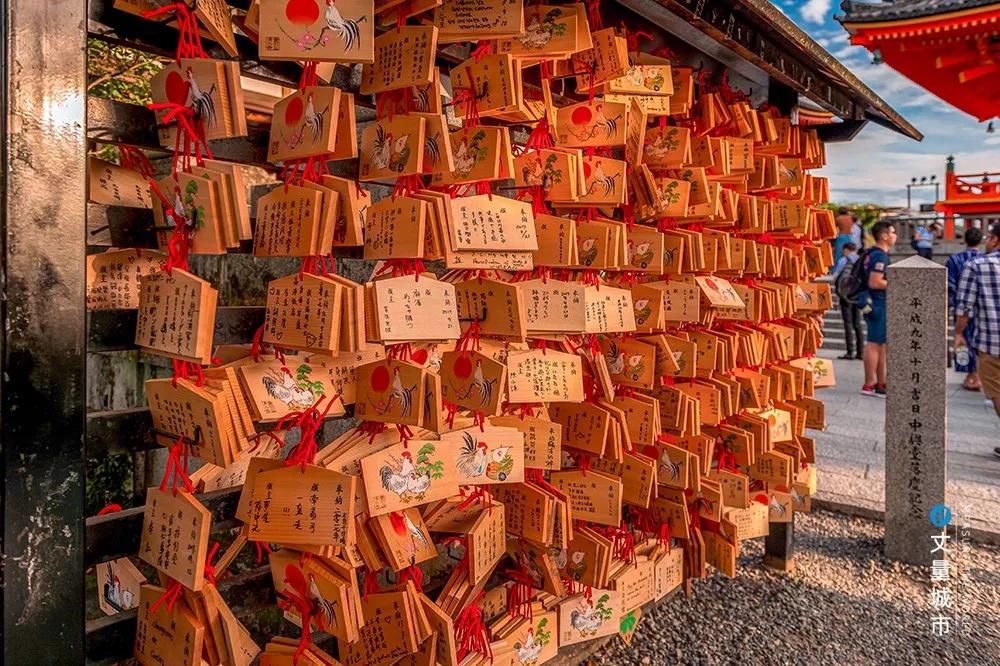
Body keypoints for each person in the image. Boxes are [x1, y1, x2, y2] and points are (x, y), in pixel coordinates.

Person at [954, 223, 1000, 446]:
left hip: (992, 342)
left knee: (996, 391)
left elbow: (964, 308)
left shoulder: (977, 265)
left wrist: (959, 332)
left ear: (995, 240)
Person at [861, 221, 897, 396]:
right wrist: (896, 284)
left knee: (881, 343)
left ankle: (881, 382)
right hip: (877, 304)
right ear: (884, 236)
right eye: (892, 232)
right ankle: (869, 383)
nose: (895, 235)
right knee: (874, 344)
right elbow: (875, 282)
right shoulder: (880, 256)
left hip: (874, 303)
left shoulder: (871, 253)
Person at [946, 227, 982, 391]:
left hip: (961, 306)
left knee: (962, 340)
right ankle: (978, 375)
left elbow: (950, 284)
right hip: (983, 308)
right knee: (980, 341)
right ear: (980, 241)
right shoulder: (985, 259)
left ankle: (970, 374)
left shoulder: (954, 259)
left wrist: (952, 303)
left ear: (964, 240)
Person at [833, 242, 863, 360]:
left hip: (845, 297)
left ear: (846, 250)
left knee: (848, 324)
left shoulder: (843, 261)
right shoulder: (861, 260)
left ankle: (850, 352)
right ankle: (860, 352)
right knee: (858, 324)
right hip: (857, 296)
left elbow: (835, 276)